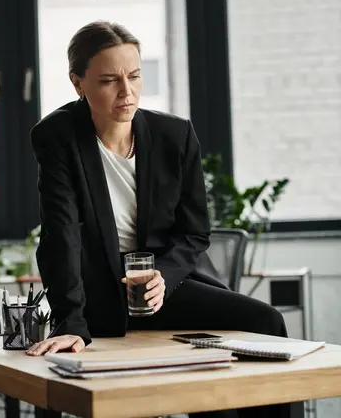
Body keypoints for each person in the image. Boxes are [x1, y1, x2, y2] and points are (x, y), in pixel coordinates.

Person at [27, 21, 303, 418]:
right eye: (108, 80)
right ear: (78, 83)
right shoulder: (58, 136)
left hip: (165, 282)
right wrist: (70, 320)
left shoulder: (174, 134)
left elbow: (193, 232)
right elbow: (61, 232)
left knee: (267, 320)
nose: (127, 92)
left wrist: (163, 277)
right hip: (103, 289)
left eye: (135, 76)